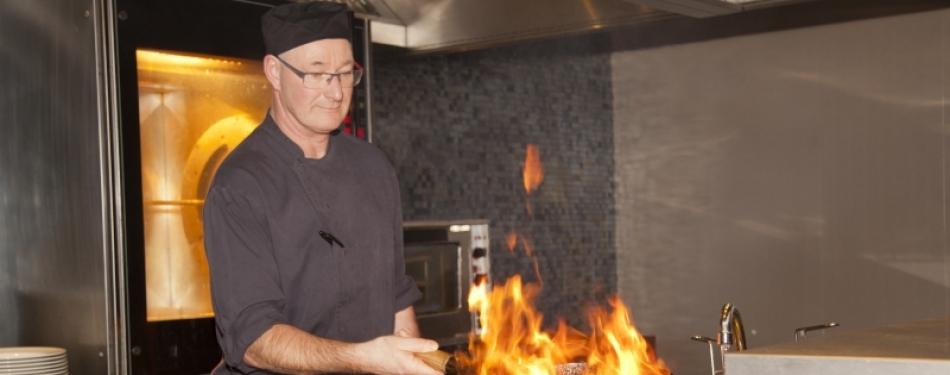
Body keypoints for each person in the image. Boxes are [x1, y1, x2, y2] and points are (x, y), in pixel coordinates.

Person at [202, 3, 443, 374]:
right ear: (274, 72)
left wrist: (410, 361)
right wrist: (362, 360)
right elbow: (254, 339)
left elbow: (395, 297)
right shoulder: (241, 184)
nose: (336, 92)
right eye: (316, 74)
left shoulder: (373, 167)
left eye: (345, 73)